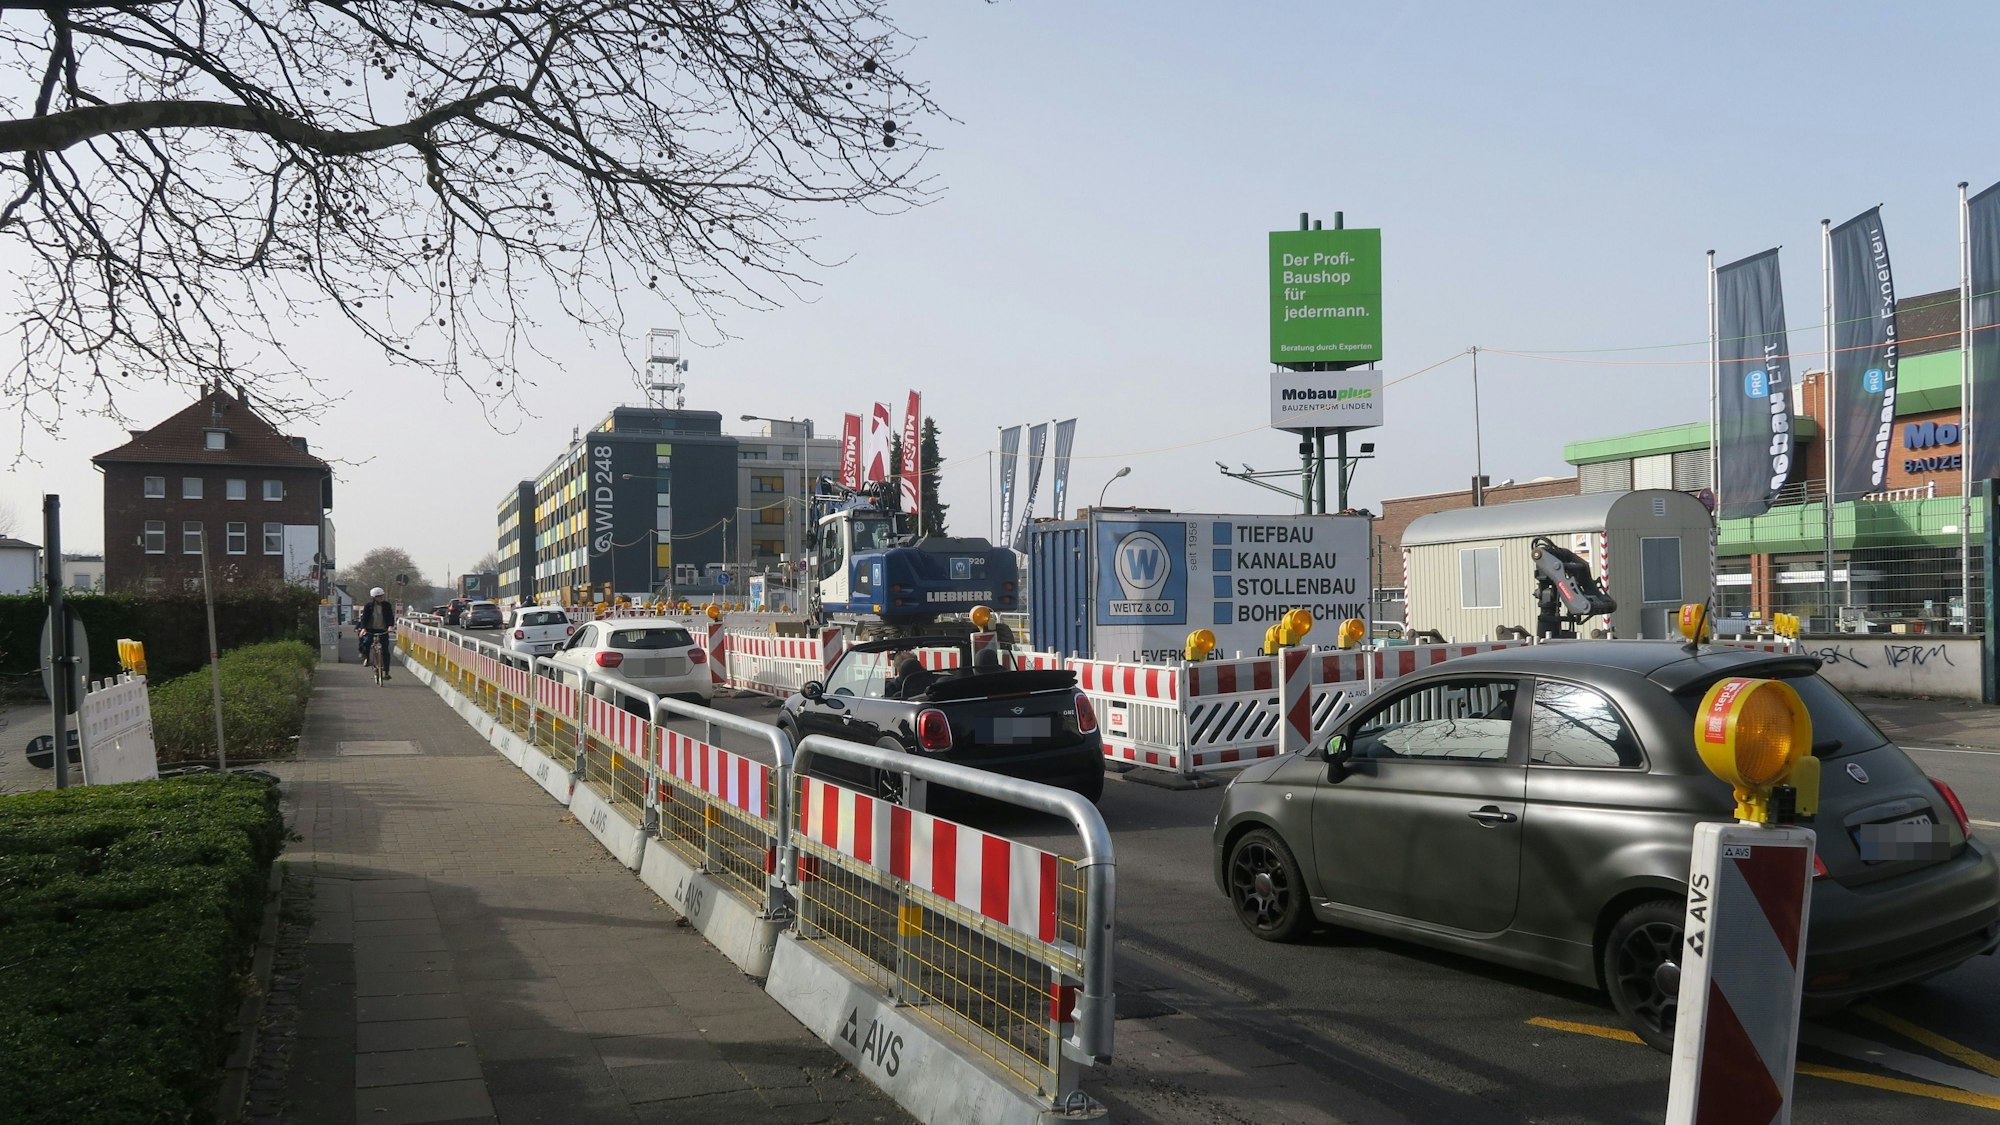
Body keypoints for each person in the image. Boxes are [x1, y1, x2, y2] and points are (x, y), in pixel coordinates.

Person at [358, 586, 397, 678]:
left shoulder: (386, 605)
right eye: (378, 596)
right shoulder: (368, 606)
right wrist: (363, 628)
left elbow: (390, 616)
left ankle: (386, 671)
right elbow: (364, 618)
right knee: (366, 643)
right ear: (373, 597)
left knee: (385, 650)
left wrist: (390, 626)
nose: (380, 598)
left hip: (383, 630)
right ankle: (367, 658)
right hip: (370, 630)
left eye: (381, 596)